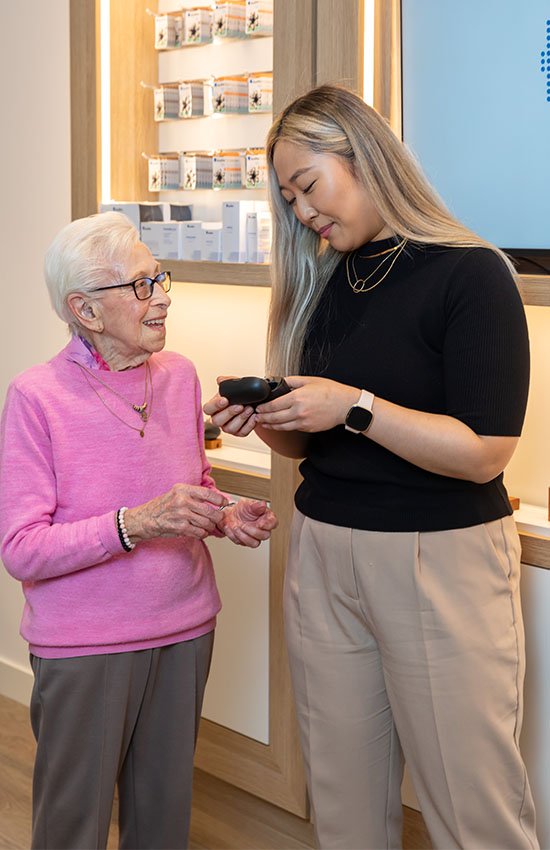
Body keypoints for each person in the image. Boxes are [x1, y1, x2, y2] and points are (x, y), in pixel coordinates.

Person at [203, 84, 539, 850]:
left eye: (308, 186)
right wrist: (273, 419)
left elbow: (485, 451)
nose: (302, 212)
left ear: (364, 157)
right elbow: (309, 446)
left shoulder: (472, 274)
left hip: (438, 559)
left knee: (474, 809)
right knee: (343, 802)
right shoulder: (324, 282)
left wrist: (355, 406)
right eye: (289, 199)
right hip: (323, 551)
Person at [0, 211, 277, 850]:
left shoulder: (178, 375)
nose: (163, 298)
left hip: (186, 627)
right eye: (141, 286)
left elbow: (193, 484)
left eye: (159, 279)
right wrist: (136, 523)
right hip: (85, 644)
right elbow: (22, 550)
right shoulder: (36, 396)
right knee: (72, 827)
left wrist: (225, 514)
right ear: (86, 311)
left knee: (162, 822)